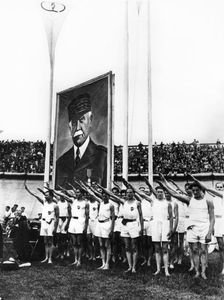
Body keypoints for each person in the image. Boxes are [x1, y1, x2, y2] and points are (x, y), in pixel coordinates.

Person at [158, 176, 215, 279]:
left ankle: (203, 272)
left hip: (204, 227)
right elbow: (174, 193)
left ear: (202, 190)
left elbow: (212, 218)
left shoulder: (208, 201)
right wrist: (164, 184)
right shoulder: (189, 199)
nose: (195, 192)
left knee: (203, 250)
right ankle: (197, 272)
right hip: (192, 228)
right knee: (194, 250)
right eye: (193, 191)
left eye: (197, 190)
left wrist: (209, 232)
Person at [56, 93, 107, 189]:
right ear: (70, 127)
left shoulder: (103, 157)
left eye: (82, 120)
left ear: (90, 120)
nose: (78, 128)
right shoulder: (61, 162)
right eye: (74, 123)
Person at [24, 183, 59, 264]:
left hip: (51, 223)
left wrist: (55, 228)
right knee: (45, 241)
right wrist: (28, 190)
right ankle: (46, 257)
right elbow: (35, 196)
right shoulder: (44, 203)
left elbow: (57, 217)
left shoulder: (55, 205)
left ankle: (50, 258)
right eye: (45, 195)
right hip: (44, 223)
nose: (45, 196)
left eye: (47, 195)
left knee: (50, 241)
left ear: (51, 196)